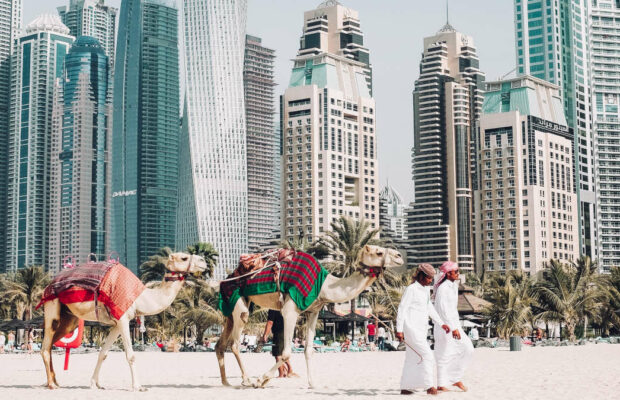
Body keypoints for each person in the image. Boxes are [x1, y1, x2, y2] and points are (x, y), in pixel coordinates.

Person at [396, 264, 450, 396]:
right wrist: (399, 329)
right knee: (427, 355)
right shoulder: (411, 289)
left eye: (432, 278)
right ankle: (429, 386)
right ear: (421, 275)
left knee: (411, 357)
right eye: (429, 278)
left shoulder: (425, 290)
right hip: (411, 328)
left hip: (422, 329)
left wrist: (441, 323)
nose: (430, 280)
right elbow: (402, 309)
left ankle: (406, 387)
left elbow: (429, 309)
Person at [433, 261, 474, 393]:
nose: (458, 273)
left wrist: (456, 326)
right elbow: (443, 310)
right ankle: (441, 384)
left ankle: (455, 377)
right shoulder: (443, 288)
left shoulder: (453, 286)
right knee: (443, 354)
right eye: (456, 271)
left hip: (455, 325)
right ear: (448, 273)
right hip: (444, 326)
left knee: (468, 349)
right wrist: (452, 327)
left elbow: (452, 310)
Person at [262, 310, 297, 378]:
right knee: (283, 353)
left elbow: (270, 322)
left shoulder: (273, 309)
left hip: (279, 332)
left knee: (278, 355)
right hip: (287, 331)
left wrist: (265, 335)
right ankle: (289, 370)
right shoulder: (284, 307)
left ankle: (282, 374)